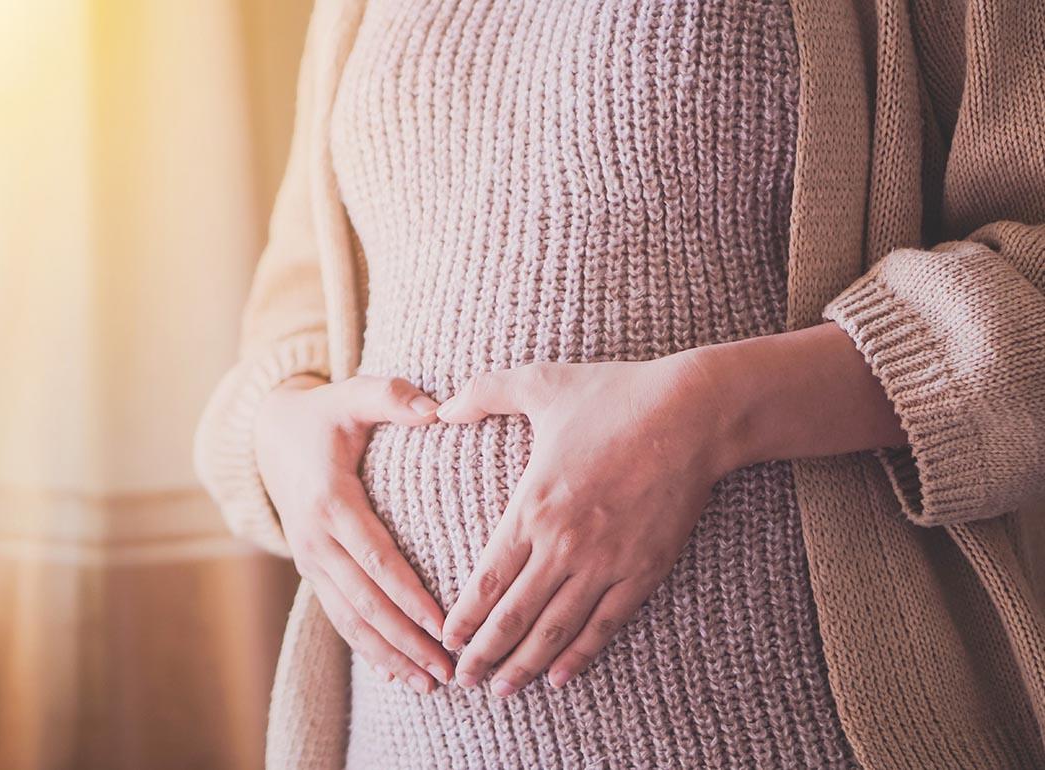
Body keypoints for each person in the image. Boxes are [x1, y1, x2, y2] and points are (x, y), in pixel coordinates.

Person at [195, 0, 1045, 767]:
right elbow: (297, 313)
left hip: (787, 726)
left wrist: (714, 412)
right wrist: (282, 434)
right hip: (400, 738)